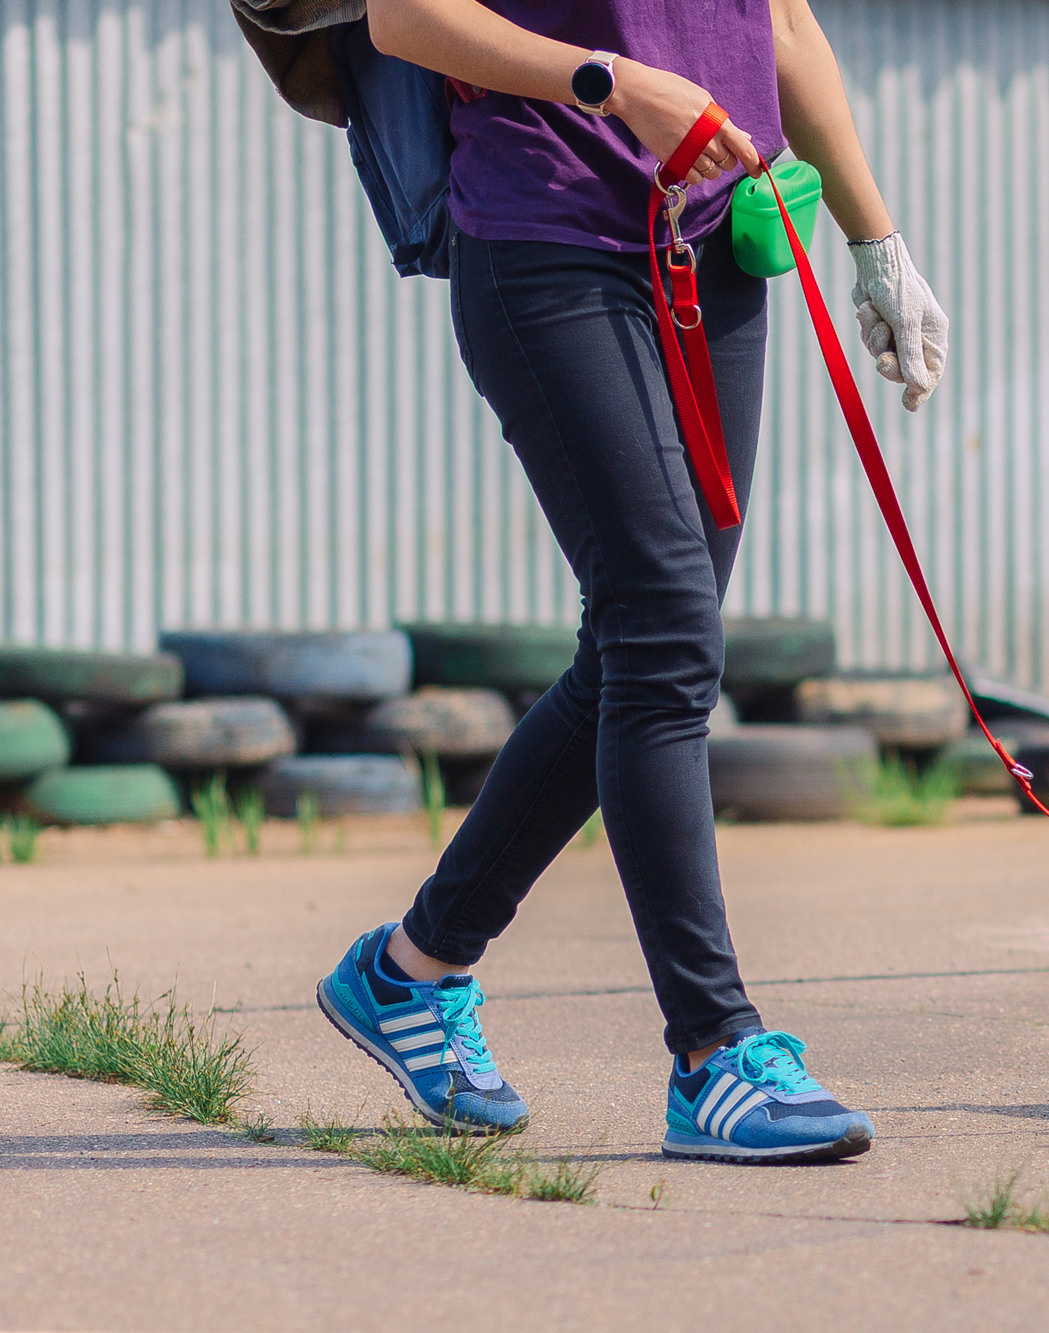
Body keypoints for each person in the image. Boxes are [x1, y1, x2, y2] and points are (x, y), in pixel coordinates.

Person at [314, 0, 948, 1164]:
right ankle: (714, 1052)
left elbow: (784, 28)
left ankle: (409, 970)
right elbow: (406, 18)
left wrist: (877, 243)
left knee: (637, 649)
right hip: (548, 242)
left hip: (719, 246)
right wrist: (613, 84)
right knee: (664, 640)